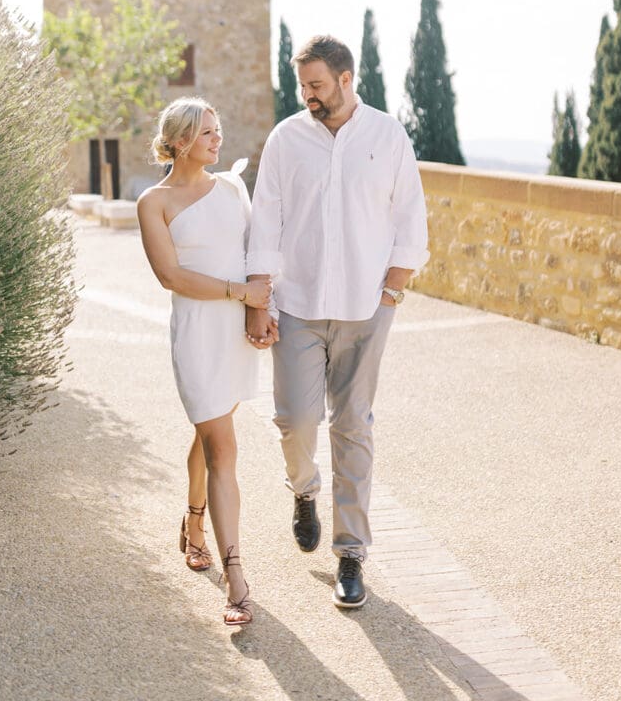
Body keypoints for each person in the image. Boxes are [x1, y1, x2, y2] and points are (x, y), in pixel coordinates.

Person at [245, 35, 428, 608]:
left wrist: (392, 293)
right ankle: (303, 492)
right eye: (303, 86)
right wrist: (259, 299)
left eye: (317, 85)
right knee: (295, 420)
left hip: (364, 307)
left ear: (347, 80)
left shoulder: (387, 136)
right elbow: (266, 216)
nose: (308, 96)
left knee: (353, 427)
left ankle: (351, 554)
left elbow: (409, 216)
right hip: (296, 304)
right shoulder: (286, 138)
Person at [137, 97, 274, 626]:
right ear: (177, 142)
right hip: (196, 333)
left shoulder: (234, 187)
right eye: (207, 134)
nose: (218, 141)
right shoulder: (155, 201)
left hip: (235, 330)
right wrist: (242, 294)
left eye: (219, 130)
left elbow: (254, 251)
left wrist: (260, 311)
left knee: (211, 433)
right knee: (222, 444)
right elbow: (171, 276)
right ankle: (235, 575)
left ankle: (194, 522)